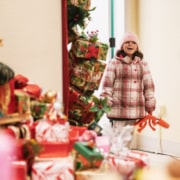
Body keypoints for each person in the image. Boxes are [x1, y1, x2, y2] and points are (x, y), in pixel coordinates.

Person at [100, 32, 156, 150]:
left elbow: (148, 85)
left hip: (134, 108)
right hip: (117, 107)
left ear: (137, 46)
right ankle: (114, 159)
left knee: (128, 139)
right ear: (122, 45)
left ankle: (126, 159)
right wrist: (106, 100)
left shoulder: (143, 64)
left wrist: (150, 101)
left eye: (133, 42)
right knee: (116, 138)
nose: (130, 45)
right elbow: (107, 84)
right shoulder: (114, 63)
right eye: (127, 42)